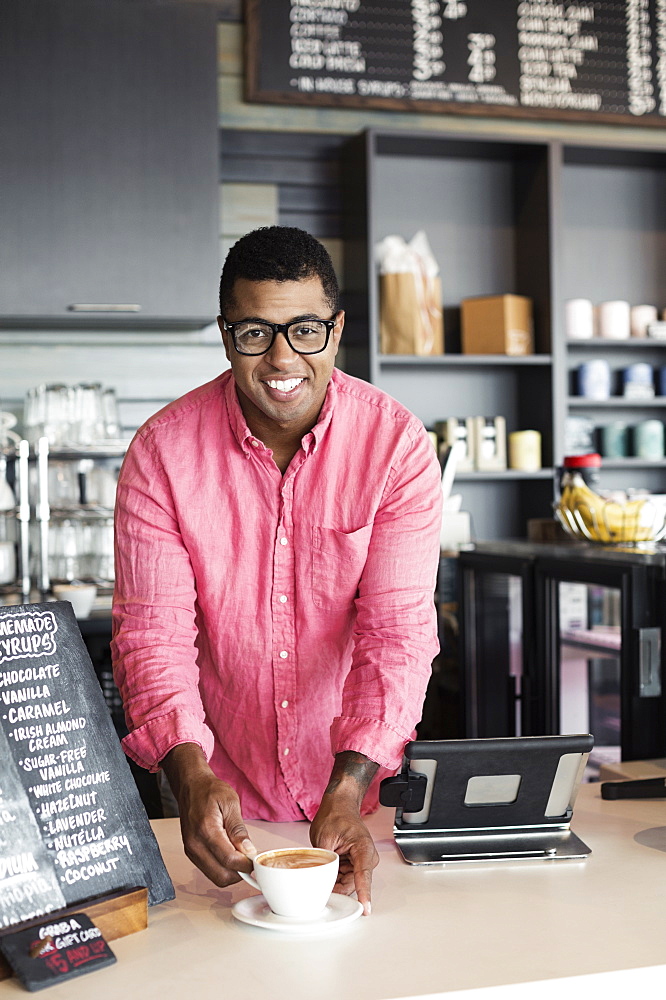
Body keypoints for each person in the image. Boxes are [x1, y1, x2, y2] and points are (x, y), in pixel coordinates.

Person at [111, 226, 442, 916]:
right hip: (223, 814)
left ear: (337, 328)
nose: (282, 358)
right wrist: (188, 771)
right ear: (228, 333)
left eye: (305, 330)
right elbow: (153, 635)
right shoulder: (162, 454)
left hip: (357, 804)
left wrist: (348, 788)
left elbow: (398, 635)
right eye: (256, 333)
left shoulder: (396, 446)